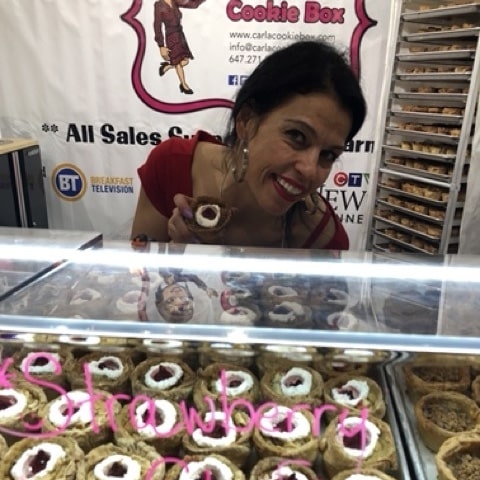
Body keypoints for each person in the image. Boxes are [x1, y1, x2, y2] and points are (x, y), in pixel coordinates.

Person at [131, 40, 367, 249]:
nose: (310, 169)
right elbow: (137, 283)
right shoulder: (172, 166)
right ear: (246, 121)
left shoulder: (322, 237)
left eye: (328, 154)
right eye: (297, 136)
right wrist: (179, 254)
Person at [154, 0, 206, 95]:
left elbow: (192, 4)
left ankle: (168, 66)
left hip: (180, 35)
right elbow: (157, 26)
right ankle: (184, 84)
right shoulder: (159, 5)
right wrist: (161, 46)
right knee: (178, 62)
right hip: (171, 36)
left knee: (185, 60)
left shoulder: (175, 2)